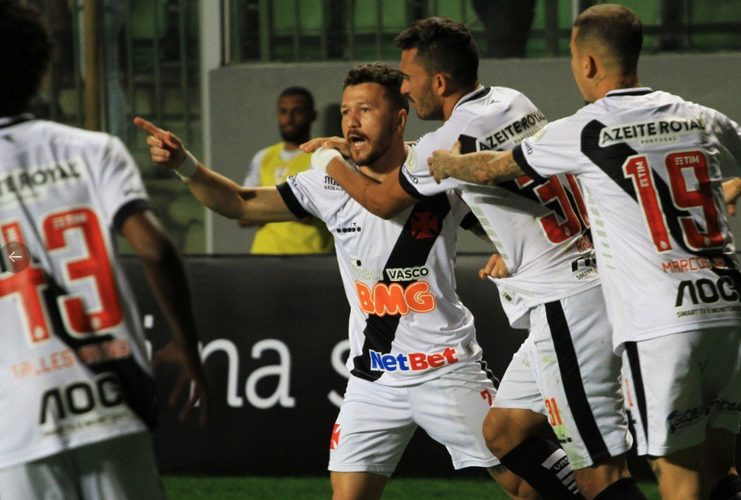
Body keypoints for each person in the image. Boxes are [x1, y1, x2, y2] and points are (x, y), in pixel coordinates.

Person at [136, 62, 539, 500]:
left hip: (443, 366)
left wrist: (503, 247)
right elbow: (240, 203)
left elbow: (495, 218)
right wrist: (185, 163)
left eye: (365, 109)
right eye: (346, 111)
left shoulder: (434, 169)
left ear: (399, 118)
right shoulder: (326, 184)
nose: (351, 121)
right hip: (373, 378)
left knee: (527, 484)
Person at [428, 5, 741, 500]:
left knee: (679, 477)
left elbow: (491, 169)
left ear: (587, 63)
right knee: (720, 470)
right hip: (728, 308)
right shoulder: (696, 114)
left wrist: (446, 161)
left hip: (663, 319)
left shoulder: (585, 129)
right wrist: (737, 186)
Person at [302, 17, 644, 500]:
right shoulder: (511, 100)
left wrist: (330, 161)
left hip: (570, 294)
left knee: (599, 471)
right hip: (570, 277)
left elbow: (381, 201)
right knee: (501, 433)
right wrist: (509, 246)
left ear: (438, 83)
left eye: (408, 76)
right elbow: (517, 183)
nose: (403, 86)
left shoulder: (446, 142)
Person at [0, 1, 210, 499]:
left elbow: (16, 256)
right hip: (112, 399)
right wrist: (186, 344)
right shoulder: (93, 149)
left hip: (18, 414)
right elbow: (155, 250)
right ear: (41, 66)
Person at [239, 87, 333, 255]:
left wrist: (260, 208)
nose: (289, 119)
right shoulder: (263, 157)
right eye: (283, 111)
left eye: (297, 111)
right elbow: (242, 214)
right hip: (263, 256)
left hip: (310, 257)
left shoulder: (323, 157)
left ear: (313, 116)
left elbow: (307, 213)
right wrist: (289, 206)